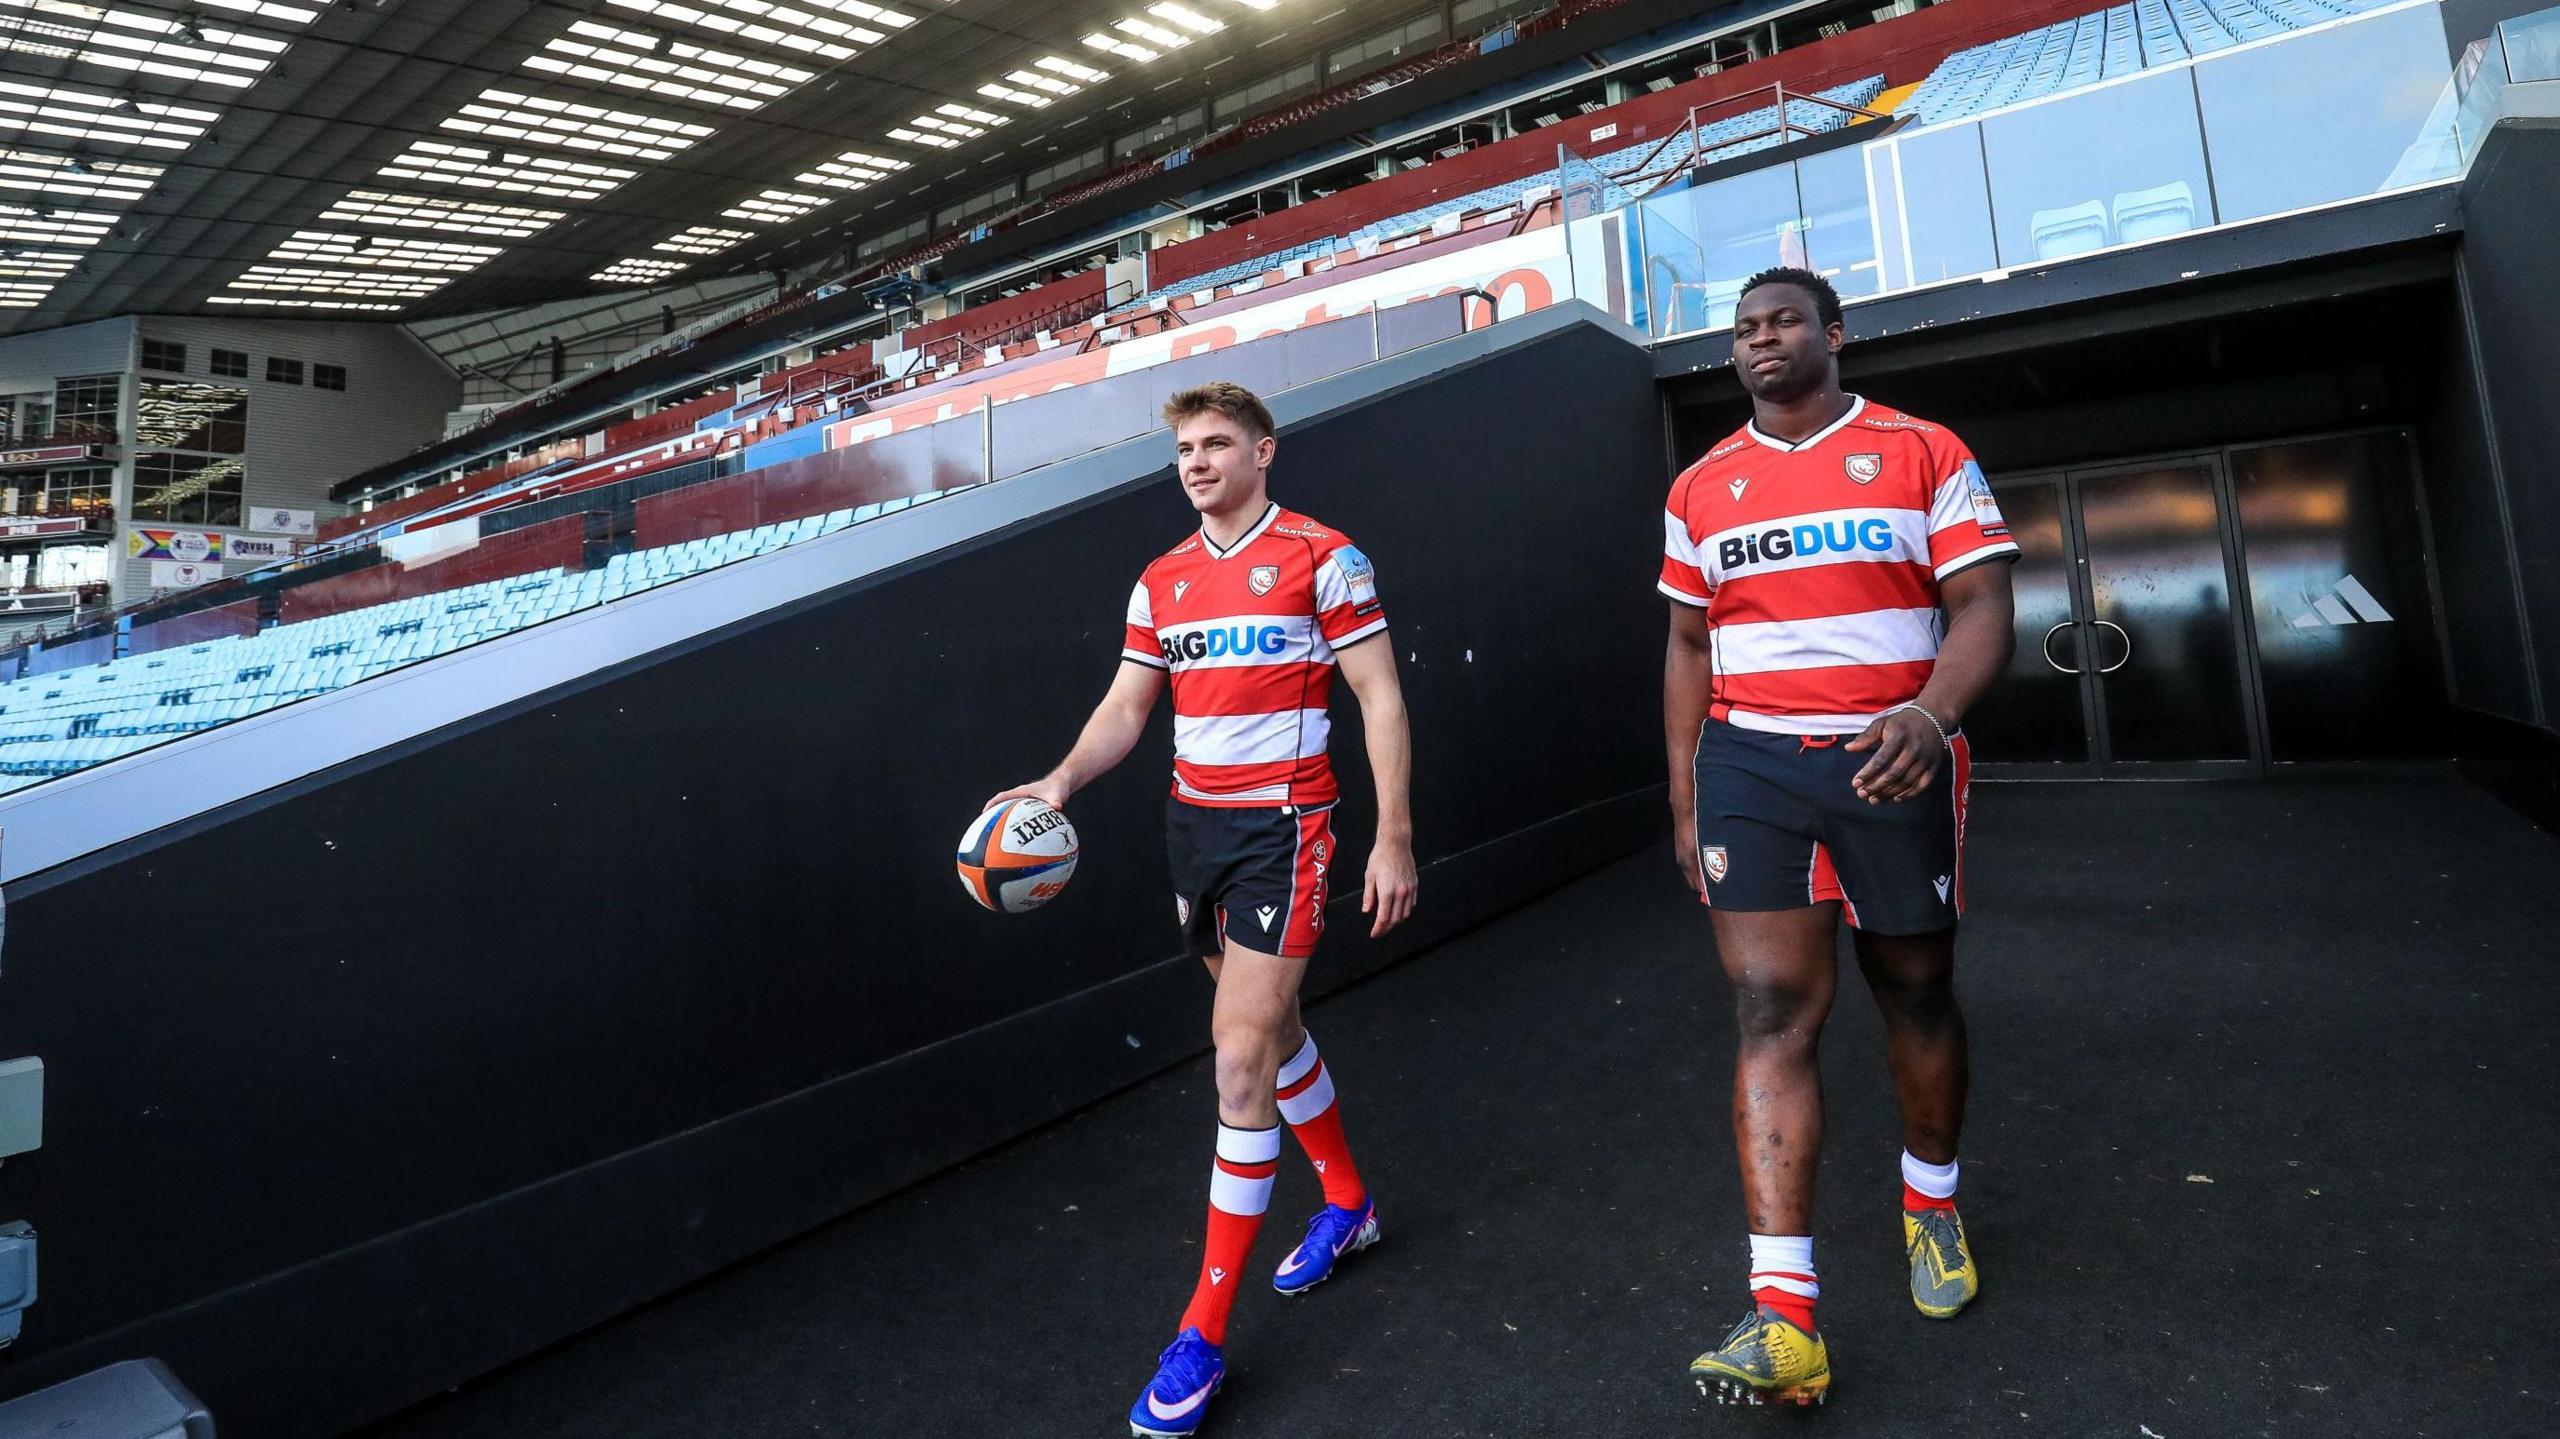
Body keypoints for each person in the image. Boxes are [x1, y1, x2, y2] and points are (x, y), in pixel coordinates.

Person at [985, 381, 1419, 1438]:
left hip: (1288, 827)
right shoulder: (1161, 580)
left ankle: (1202, 1332)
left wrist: (1393, 832)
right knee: (1272, 1034)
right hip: (1195, 830)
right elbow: (1128, 705)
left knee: (1236, 1057)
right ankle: (1350, 1202)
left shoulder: (1324, 555)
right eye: (1184, 446)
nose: (1196, 460)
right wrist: (1056, 783)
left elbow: (1379, 695)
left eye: (1217, 442)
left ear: (1263, 451)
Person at [1660, 267, 2019, 1407]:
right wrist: (1682, 794)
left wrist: (1930, 711)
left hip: (1891, 754)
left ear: (1832, 333)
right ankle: (1785, 1315)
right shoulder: (1700, 485)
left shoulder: (1921, 449)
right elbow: (1684, 646)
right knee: (1769, 1010)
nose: (1762, 340)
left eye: (1782, 321)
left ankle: (1929, 1199)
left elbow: (1983, 606)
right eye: (1744, 330)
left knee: (1913, 989)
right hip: (1751, 764)